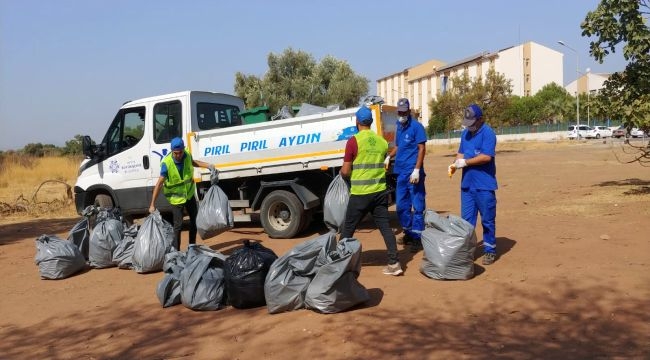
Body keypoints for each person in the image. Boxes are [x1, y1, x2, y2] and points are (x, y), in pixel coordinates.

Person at [339, 106, 403, 276]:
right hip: (379, 192)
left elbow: (345, 171)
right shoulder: (382, 142)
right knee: (385, 228)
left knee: (348, 229)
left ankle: (338, 264)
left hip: (360, 194)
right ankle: (394, 263)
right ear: (372, 122)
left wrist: (343, 173)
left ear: (357, 122)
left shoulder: (353, 141)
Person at [449, 104, 498, 265]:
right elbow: (461, 153)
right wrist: (455, 164)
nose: (469, 127)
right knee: (466, 221)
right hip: (467, 186)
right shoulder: (465, 134)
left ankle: (489, 249)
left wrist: (466, 162)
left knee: (487, 220)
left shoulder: (488, 133)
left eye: (472, 123)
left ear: (480, 119)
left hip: (484, 185)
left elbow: (486, 157)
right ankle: (467, 251)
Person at [149, 137, 215, 251]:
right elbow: (159, 183)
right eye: (175, 153)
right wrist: (152, 204)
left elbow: (193, 162)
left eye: (180, 152)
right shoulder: (167, 163)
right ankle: (176, 252)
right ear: (172, 151)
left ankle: (192, 247)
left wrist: (208, 165)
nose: (178, 155)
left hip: (189, 194)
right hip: (176, 199)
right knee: (178, 226)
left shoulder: (187, 155)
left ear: (183, 149)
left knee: (194, 220)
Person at [384, 98, 427, 253]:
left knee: (417, 205)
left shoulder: (417, 127)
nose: (401, 114)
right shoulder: (398, 126)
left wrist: (417, 169)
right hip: (401, 172)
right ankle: (408, 232)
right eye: (399, 112)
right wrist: (390, 156)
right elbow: (398, 146)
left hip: (413, 173)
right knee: (402, 206)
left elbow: (421, 149)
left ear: (409, 111)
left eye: (404, 112)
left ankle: (417, 237)